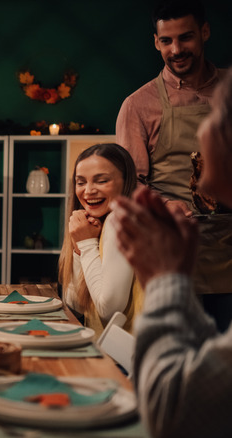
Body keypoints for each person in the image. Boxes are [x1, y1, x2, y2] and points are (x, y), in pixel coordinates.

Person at [112, 69, 232, 438]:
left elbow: (171, 412)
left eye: (213, 119)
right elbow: (211, 376)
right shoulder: (138, 102)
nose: (200, 132)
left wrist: (164, 280)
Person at [115, 0, 232, 327]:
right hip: (175, 252)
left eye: (186, 37)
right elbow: (128, 184)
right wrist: (166, 205)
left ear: (205, 32)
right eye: (166, 40)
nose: (176, 49)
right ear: (156, 41)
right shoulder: (138, 105)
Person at [58, 144, 140, 335]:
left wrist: (86, 245)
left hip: (132, 360)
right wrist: (80, 247)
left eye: (101, 181)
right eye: (80, 182)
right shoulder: (98, 222)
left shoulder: (121, 219)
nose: (88, 191)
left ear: (126, 181)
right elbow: (76, 304)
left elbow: (110, 312)